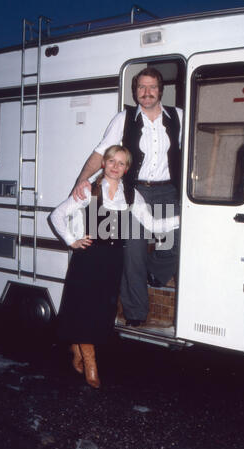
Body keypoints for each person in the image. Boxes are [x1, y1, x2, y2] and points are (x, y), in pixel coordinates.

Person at [50, 145, 179, 389]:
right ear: (104, 163)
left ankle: (78, 349)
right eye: (111, 161)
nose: (115, 167)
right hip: (88, 257)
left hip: (113, 258)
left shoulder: (131, 195)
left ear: (127, 168)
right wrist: (72, 240)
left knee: (101, 310)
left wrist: (184, 217)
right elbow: (57, 215)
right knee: (83, 306)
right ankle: (90, 362)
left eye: (121, 163)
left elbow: (153, 224)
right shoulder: (88, 189)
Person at [72, 67, 183, 327]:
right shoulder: (124, 118)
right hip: (135, 191)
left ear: (160, 90)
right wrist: (82, 179)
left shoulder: (178, 116)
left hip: (168, 189)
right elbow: (102, 153)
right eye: (141, 88)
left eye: (151, 87)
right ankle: (135, 312)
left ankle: (156, 273)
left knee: (175, 241)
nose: (146, 93)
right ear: (135, 91)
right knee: (133, 250)